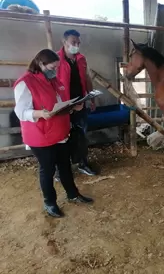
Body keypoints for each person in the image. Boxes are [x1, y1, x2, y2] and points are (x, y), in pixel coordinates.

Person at [13, 49, 93, 217]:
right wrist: (40, 114)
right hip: (40, 135)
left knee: (65, 165)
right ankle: (50, 202)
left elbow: (59, 104)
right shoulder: (26, 82)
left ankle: (73, 194)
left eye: (57, 67)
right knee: (47, 169)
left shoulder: (54, 80)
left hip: (59, 132)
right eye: (52, 67)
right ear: (41, 64)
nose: (55, 71)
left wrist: (72, 107)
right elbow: (21, 112)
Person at [55, 29, 97, 180]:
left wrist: (91, 98)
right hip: (63, 107)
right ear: (64, 42)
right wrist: (64, 106)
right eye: (73, 42)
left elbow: (86, 78)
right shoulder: (56, 60)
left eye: (78, 43)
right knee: (62, 138)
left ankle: (83, 164)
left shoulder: (81, 59)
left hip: (81, 103)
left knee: (82, 136)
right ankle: (60, 170)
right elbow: (51, 85)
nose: (76, 46)